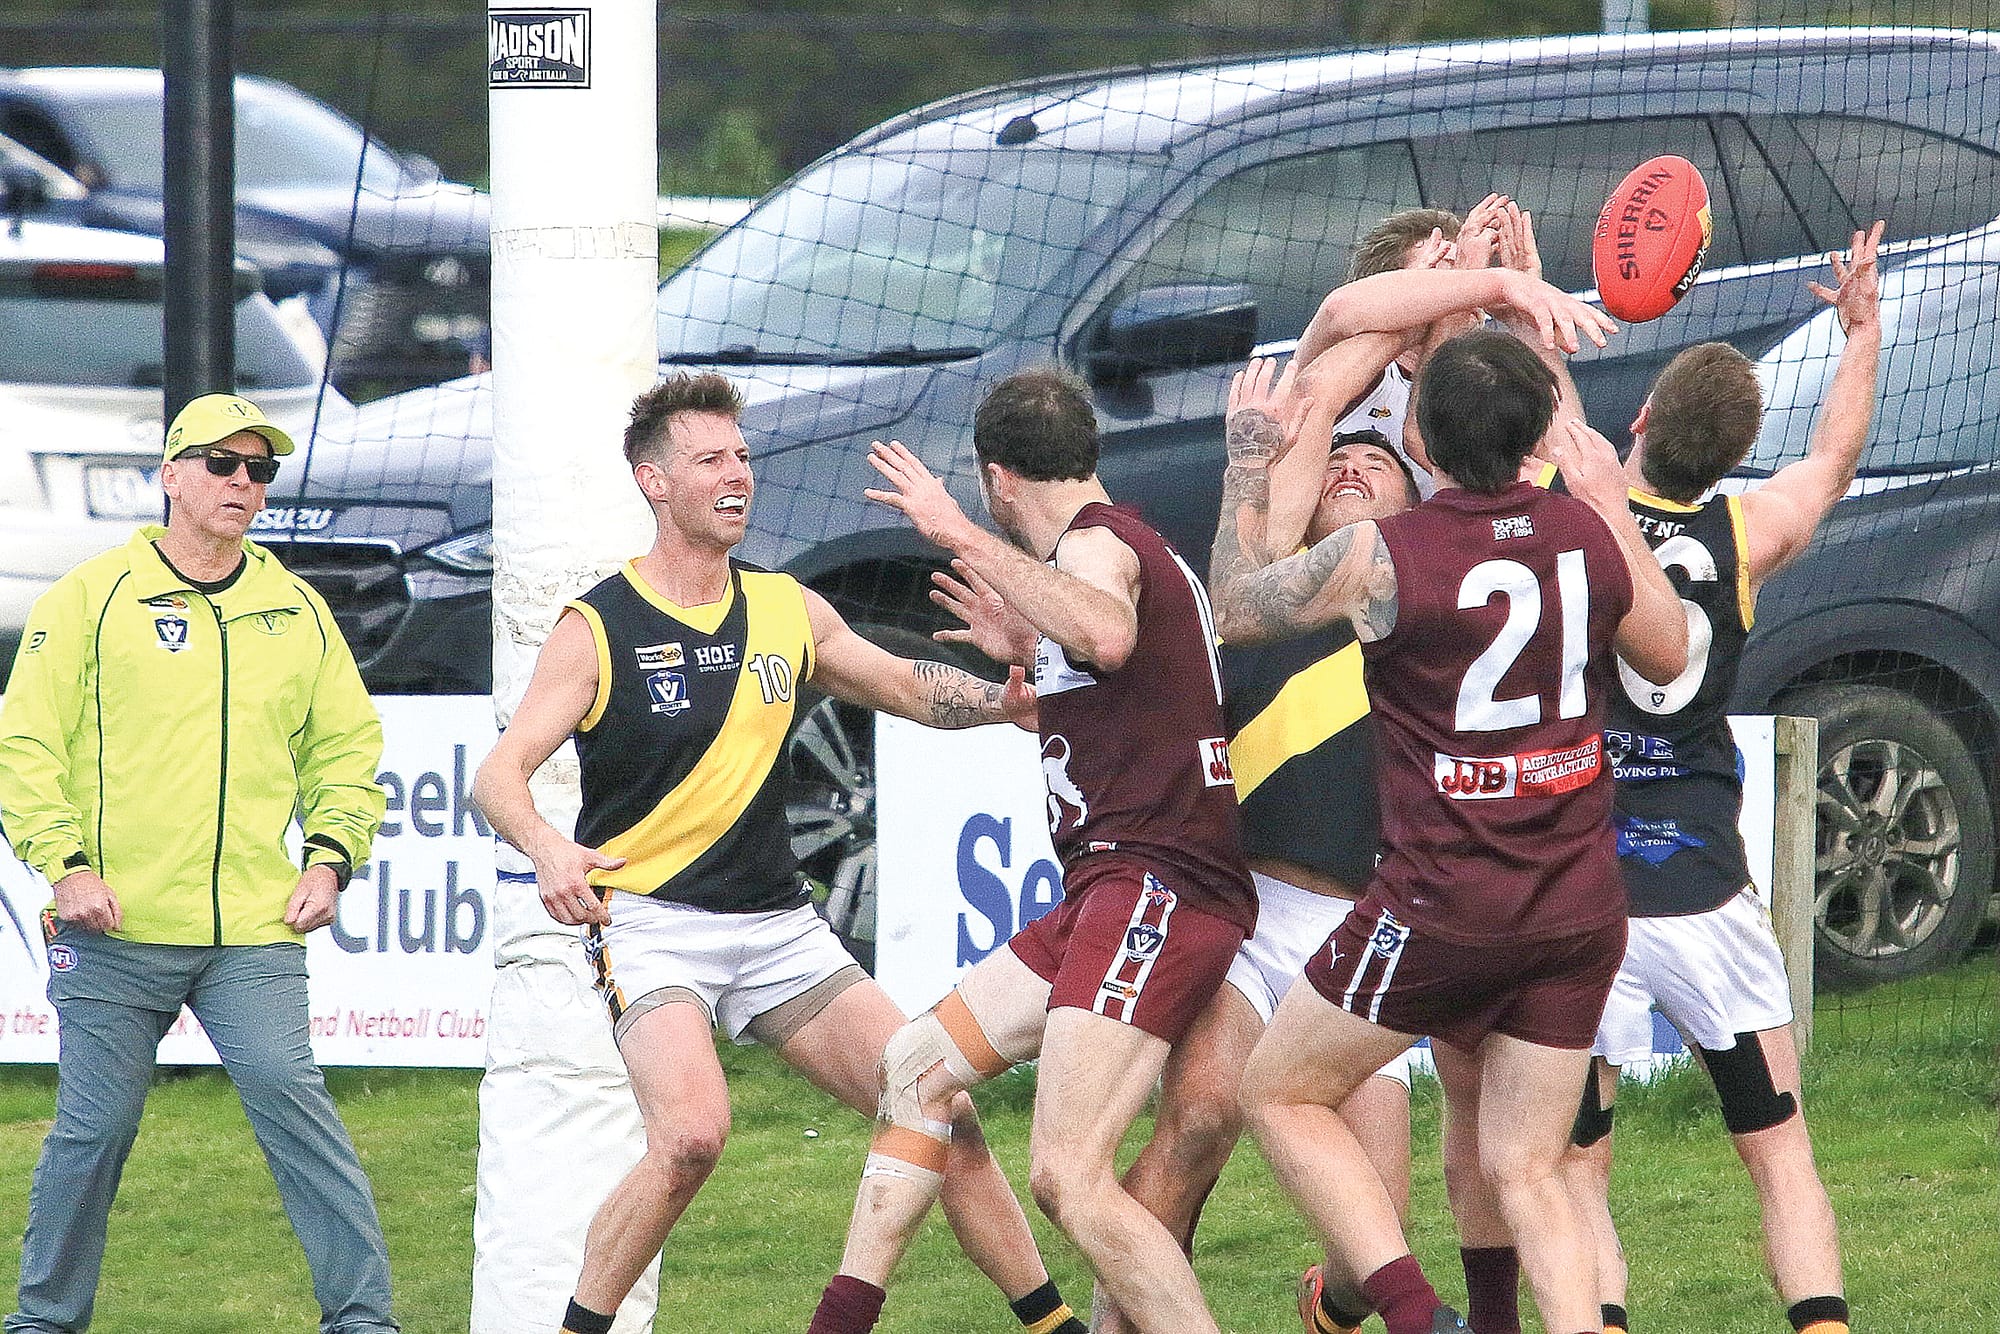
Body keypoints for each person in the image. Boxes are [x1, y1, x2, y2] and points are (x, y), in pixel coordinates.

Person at [470, 372, 1083, 1334]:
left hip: (779, 932)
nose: (737, 476)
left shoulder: (786, 607)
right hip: (651, 925)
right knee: (691, 1137)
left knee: (938, 1103)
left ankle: (1054, 1324)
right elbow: (497, 777)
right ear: (652, 482)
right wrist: (549, 849)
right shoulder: (598, 627)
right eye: (709, 460)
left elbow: (905, 684)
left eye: (743, 457)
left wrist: (998, 703)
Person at [1214, 331, 1688, 1334]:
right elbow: (1666, 650)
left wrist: (1249, 460)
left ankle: (1413, 1313)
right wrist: (1609, 501)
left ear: (1419, 441)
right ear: (1537, 437)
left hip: (1446, 901)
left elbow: (1235, 608)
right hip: (1575, 903)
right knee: (1528, 1168)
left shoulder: (1386, 554)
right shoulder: (1583, 528)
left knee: (1279, 1091)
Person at [806, 366, 1255, 1334]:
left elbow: (1106, 631)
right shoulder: (1124, 549)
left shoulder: (1096, 545)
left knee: (1067, 1174)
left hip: (1153, 887)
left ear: (996, 479)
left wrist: (955, 533)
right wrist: (1032, 657)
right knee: (915, 1068)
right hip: (1109, 888)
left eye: (981, 500)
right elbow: (1121, 689)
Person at [0, 393, 398, 1334]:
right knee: (94, 1132)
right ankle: (44, 1321)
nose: (243, 484)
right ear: (171, 475)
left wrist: (331, 859)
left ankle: (363, 1319)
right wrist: (65, 866)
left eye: (260, 469)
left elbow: (346, 750)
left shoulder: (295, 608)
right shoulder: (91, 596)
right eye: (223, 464)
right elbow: (24, 742)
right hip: (115, 925)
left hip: (251, 931)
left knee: (296, 1107)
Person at [1558, 222, 1885, 1334]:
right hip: (1703, 887)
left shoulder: (1572, 513)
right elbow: (1831, 463)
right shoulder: (1746, 531)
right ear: (1736, 453)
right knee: (1777, 1147)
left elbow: (1538, 418)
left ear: (1641, 419)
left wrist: (1511, 293)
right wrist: (1859, 333)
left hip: (1586, 893)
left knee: (1576, 1167)